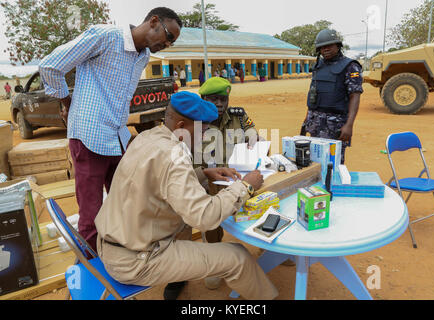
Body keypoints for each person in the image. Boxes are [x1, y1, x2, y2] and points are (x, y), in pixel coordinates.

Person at [95, 91, 279, 301]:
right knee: (238, 257)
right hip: (137, 261)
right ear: (181, 127)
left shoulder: (147, 137)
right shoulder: (175, 157)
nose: (205, 138)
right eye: (202, 132)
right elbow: (205, 218)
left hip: (112, 246)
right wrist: (245, 186)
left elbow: (157, 181)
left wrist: (203, 173)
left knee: (185, 214)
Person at [39, 7, 183, 253]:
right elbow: (50, 66)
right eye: (168, 36)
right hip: (89, 136)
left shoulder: (143, 56)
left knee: (125, 203)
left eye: (172, 42)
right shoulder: (105, 36)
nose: (167, 44)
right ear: (154, 21)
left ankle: (119, 258)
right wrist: (68, 103)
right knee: (91, 215)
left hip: (117, 137)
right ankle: (94, 271)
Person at [197, 77, 265, 289]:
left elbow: (252, 131)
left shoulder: (238, 115)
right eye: (213, 99)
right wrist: (204, 176)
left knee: (261, 201)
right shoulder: (195, 122)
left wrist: (254, 139)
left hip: (238, 176)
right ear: (203, 99)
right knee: (211, 220)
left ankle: (266, 244)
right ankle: (215, 260)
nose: (219, 104)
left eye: (223, 99)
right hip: (209, 180)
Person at [301, 29, 363, 164]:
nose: (325, 49)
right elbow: (313, 92)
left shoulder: (350, 66)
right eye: (322, 47)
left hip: (335, 125)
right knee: (313, 162)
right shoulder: (318, 65)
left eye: (329, 45)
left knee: (333, 164)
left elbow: (355, 96)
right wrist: (307, 119)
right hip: (315, 122)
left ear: (338, 45)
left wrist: (349, 125)